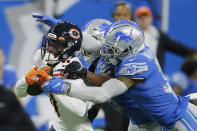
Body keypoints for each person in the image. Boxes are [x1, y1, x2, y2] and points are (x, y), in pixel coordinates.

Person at [42, 20, 197, 130]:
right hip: (140, 122)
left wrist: (66, 87)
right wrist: (64, 28)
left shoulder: (137, 65)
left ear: (128, 50)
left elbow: (102, 93)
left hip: (174, 119)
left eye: (113, 49)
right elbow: (96, 46)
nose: (106, 51)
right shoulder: (127, 53)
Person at [15, 22, 94, 131]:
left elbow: (79, 111)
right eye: (50, 43)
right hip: (59, 125)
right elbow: (20, 92)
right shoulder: (45, 57)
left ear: (69, 48)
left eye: (57, 45)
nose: (50, 49)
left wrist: (58, 88)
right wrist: (28, 78)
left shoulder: (71, 69)